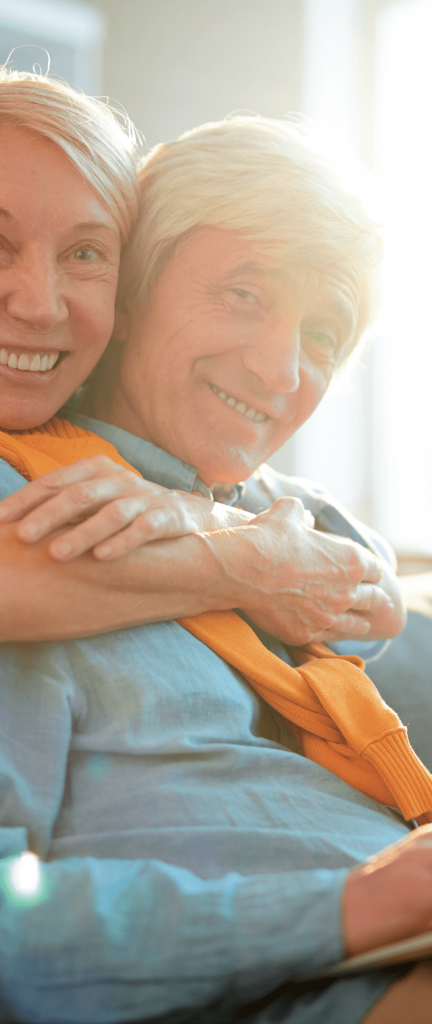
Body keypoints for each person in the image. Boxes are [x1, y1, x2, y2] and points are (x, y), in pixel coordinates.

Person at [0, 72, 427, 1023]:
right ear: (137, 289)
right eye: (242, 293)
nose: (279, 370)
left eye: (322, 334)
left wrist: (221, 529)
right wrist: (365, 903)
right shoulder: (43, 513)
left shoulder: (276, 513)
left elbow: (366, 594)